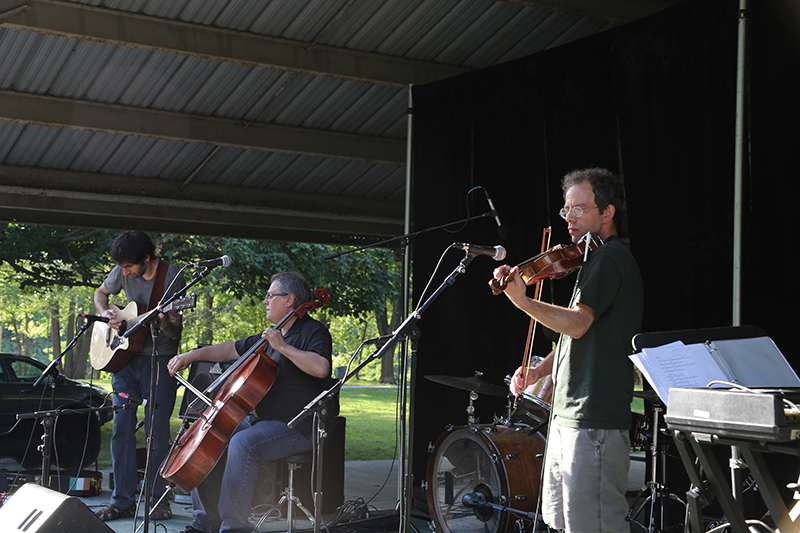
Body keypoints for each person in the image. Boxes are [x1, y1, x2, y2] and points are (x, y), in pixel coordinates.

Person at [492, 168, 643, 533]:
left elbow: (578, 322)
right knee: (562, 523)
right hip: (566, 416)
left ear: (607, 213)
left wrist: (523, 302)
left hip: (594, 418)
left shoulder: (611, 258)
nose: (570, 218)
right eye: (566, 210)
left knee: (594, 526)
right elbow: (575, 338)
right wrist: (540, 370)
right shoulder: (590, 260)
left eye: (579, 209)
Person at [167, 271, 334, 533]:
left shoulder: (312, 331)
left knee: (243, 442)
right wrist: (191, 355)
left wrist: (283, 348)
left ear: (289, 300)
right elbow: (229, 349)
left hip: (296, 426)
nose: (265, 301)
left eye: (270, 296)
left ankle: (234, 528)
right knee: (210, 435)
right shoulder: (269, 336)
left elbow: (322, 368)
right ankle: (204, 524)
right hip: (263, 422)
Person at [93, 230, 186, 521]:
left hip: (160, 361)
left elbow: (176, 329)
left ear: (146, 258)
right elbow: (101, 293)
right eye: (121, 267)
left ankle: (158, 500)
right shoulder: (123, 269)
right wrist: (107, 313)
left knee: (156, 431)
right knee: (122, 427)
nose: (124, 272)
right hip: (124, 360)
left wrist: (165, 323)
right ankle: (122, 501)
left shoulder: (172, 277)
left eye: (129, 267)